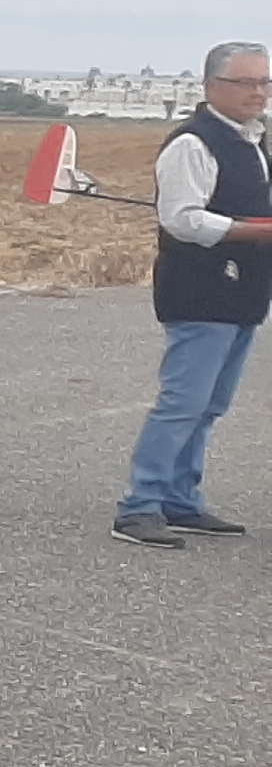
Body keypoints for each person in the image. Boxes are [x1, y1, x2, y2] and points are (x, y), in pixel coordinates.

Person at [112, 41, 272, 549]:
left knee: (211, 405)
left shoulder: (255, 141)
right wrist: (259, 230)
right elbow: (182, 219)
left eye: (264, 82)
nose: (258, 92)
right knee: (183, 403)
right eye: (245, 82)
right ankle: (139, 507)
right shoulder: (192, 144)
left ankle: (180, 500)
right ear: (211, 87)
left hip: (245, 292)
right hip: (201, 290)